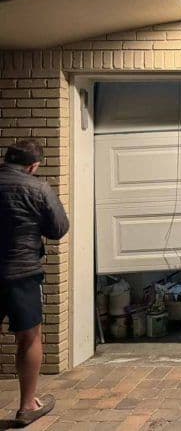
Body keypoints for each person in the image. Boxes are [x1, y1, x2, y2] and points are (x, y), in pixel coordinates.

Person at [0, 139, 69, 427]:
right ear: (33, 165)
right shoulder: (38, 188)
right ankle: (27, 406)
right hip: (23, 274)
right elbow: (58, 228)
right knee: (29, 339)